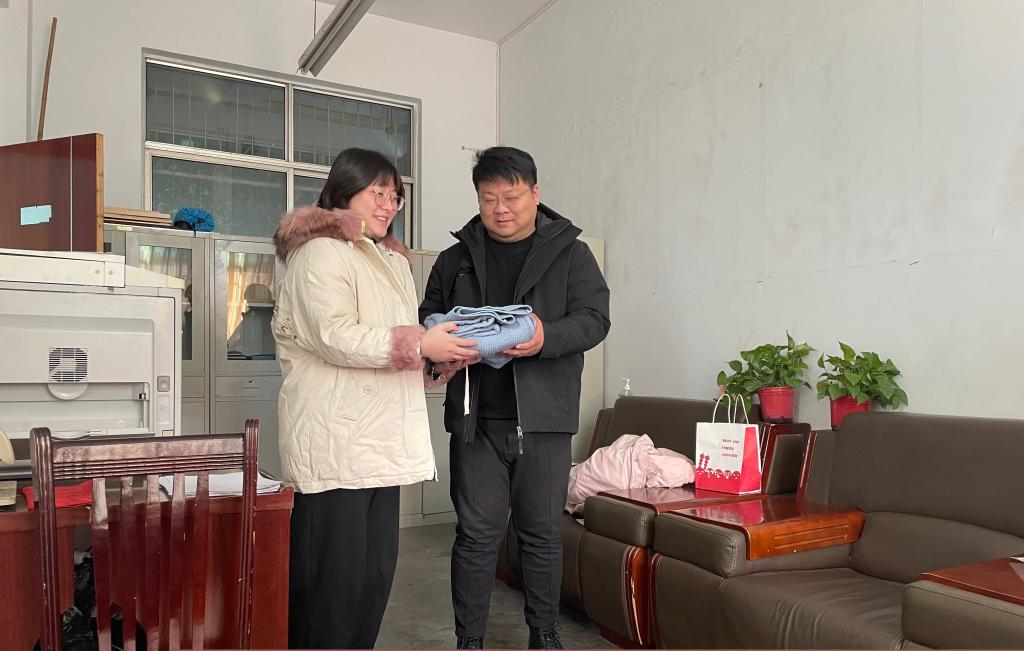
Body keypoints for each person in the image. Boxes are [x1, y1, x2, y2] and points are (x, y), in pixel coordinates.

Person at [272, 147, 479, 649]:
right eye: (378, 193)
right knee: (331, 589)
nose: (389, 205)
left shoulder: (389, 259)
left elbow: (389, 341)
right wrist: (420, 345)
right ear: (345, 192)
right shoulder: (319, 253)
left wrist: (437, 359)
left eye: (395, 196)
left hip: (379, 444)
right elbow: (335, 336)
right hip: (336, 444)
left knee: (371, 580)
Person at [419, 146, 611, 649]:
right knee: (476, 534)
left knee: (542, 534)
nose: (501, 209)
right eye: (489, 199)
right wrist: (440, 349)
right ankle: (469, 640)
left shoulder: (571, 254)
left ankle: (544, 635)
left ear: (535, 193)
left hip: (544, 420)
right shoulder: (456, 259)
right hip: (475, 420)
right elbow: (428, 319)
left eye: (512, 196)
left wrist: (546, 337)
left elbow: (594, 319)